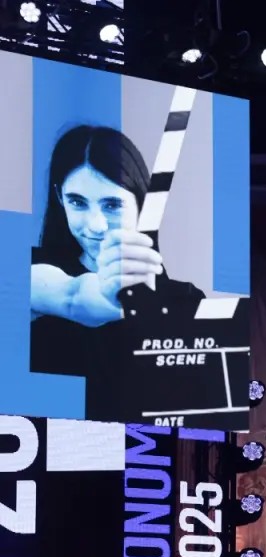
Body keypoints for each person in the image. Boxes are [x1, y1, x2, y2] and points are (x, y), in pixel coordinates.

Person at [28, 125, 206, 418]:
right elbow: (70, 296)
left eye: (112, 205)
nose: (95, 225)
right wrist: (99, 295)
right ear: (59, 197)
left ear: (142, 204)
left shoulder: (186, 300)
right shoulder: (26, 267)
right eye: (77, 202)